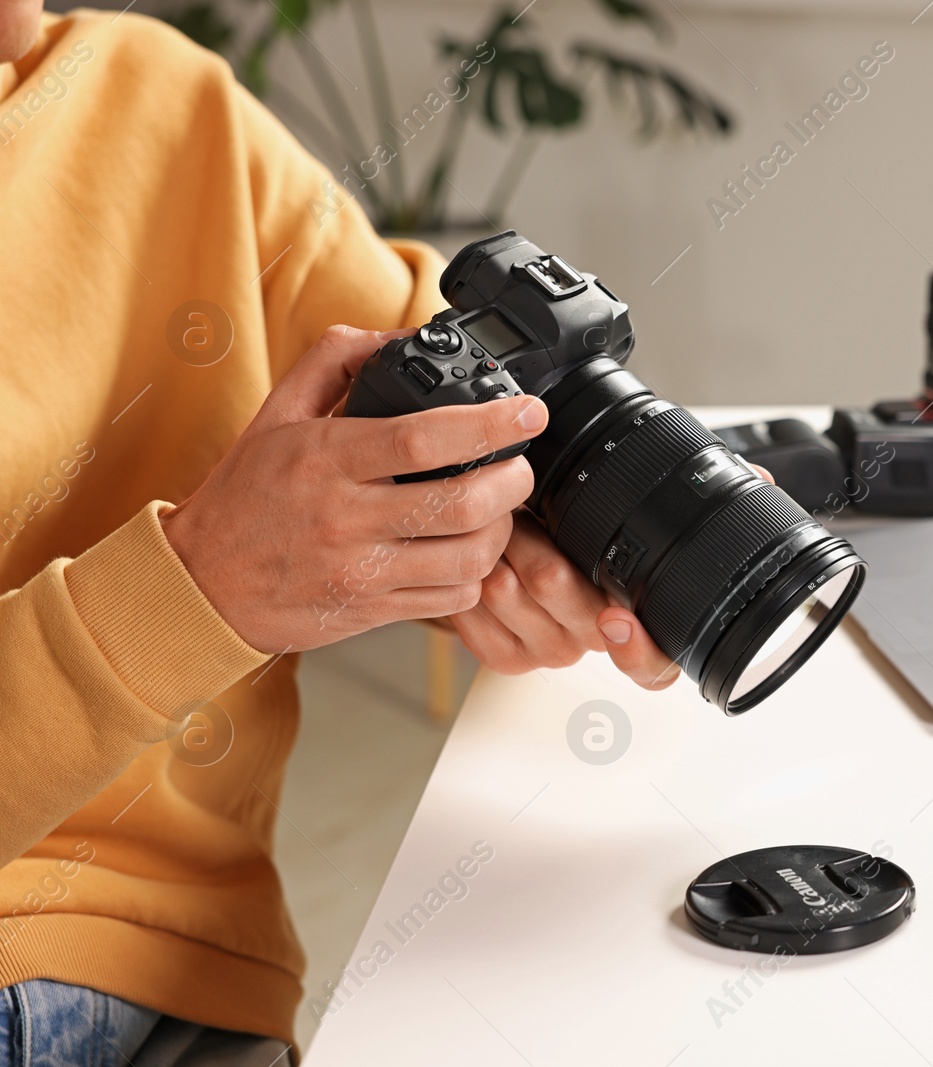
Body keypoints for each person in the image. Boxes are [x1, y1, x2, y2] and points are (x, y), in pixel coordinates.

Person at [0, 0, 682, 1059]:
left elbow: (443, 374)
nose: (15, 24)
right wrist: (196, 591)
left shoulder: (156, 102)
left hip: (187, 974)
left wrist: (505, 545)